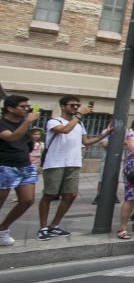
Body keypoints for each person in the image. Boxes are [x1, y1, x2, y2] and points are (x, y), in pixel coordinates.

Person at [38, 96, 111, 240]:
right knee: (49, 194)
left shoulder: (79, 124)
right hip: (55, 163)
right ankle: (43, 227)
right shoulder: (54, 121)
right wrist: (79, 115)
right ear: (63, 106)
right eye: (72, 105)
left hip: (74, 163)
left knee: (71, 195)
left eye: (78, 105)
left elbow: (87, 141)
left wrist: (105, 135)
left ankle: (54, 225)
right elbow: (65, 130)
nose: (76, 107)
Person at [0, 95, 41, 246]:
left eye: (27, 107)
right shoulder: (2, 123)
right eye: (22, 107)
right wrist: (28, 121)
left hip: (24, 166)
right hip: (4, 166)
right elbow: (11, 138)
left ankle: (3, 229)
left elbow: (27, 143)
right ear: (10, 108)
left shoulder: (24, 124)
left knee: (27, 200)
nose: (26, 109)